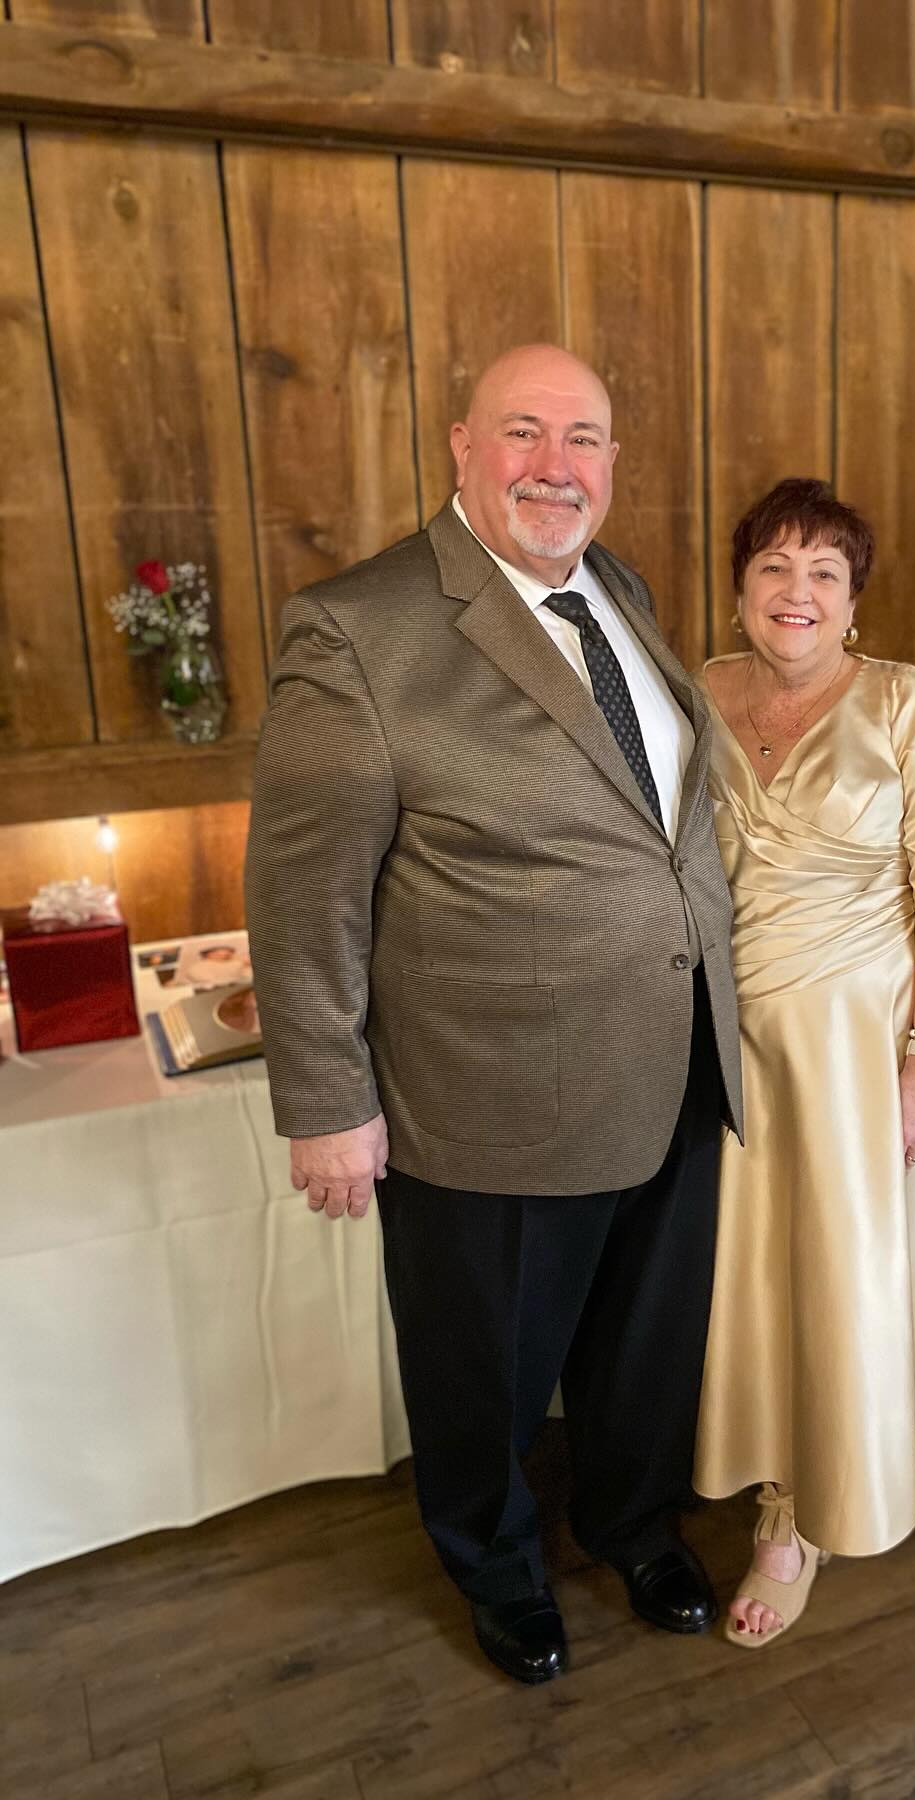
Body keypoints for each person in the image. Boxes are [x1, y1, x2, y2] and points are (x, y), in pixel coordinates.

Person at [244, 344, 743, 1686]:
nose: (555, 466)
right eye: (523, 432)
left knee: (647, 1337)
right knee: (489, 1368)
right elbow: (303, 897)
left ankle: (635, 1524)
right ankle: (496, 1563)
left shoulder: (619, 590)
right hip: (489, 1091)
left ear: (612, 465)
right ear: (460, 446)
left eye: (584, 438)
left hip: (675, 1056)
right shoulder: (358, 629)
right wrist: (329, 1101)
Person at [693, 479, 915, 1646]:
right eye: (775, 567)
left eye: (825, 573)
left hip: (864, 1043)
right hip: (734, 1043)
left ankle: (806, 1512)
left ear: (853, 602)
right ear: (739, 591)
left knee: (840, 1277)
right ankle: (757, 1456)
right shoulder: (696, 695)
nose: (798, 592)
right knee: (753, 1275)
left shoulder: (902, 702)